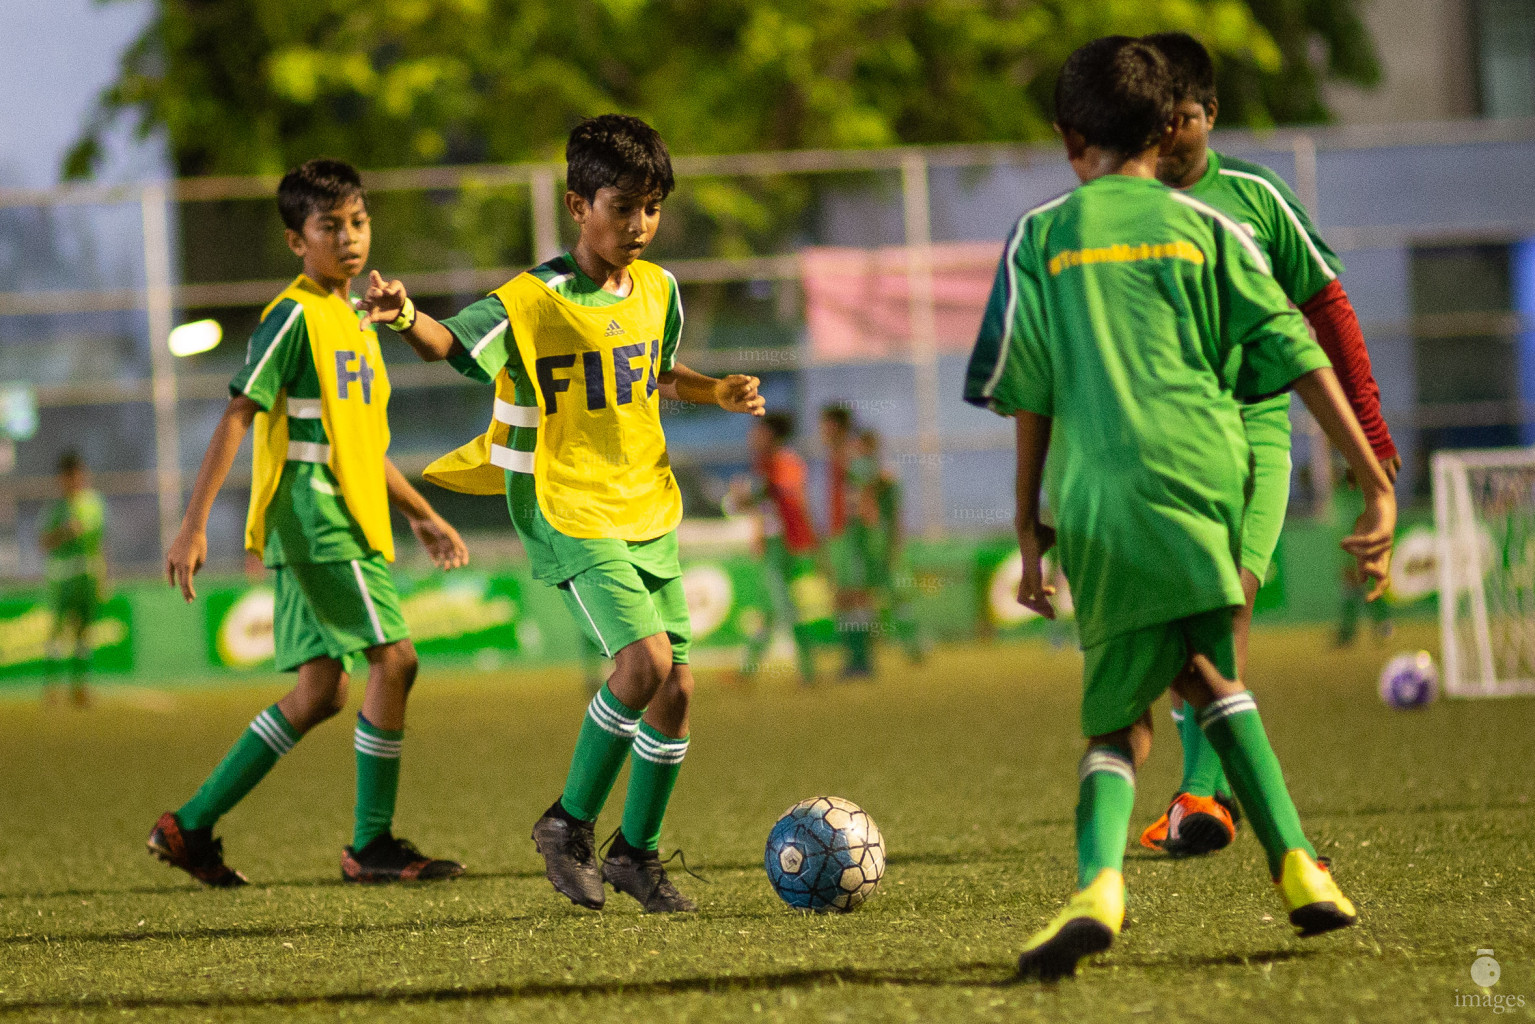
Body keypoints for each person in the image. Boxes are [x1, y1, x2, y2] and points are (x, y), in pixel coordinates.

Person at [962, 36, 1395, 980]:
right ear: (1168, 130)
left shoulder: (1041, 237)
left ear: (1070, 137)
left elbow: (1025, 390)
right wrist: (1373, 478)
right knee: (1207, 668)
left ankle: (1096, 888)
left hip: (1103, 495)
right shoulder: (1210, 231)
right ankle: (1297, 867)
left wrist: (1027, 528)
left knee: (1117, 725)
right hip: (1210, 476)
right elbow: (1296, 345)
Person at [365, 115, 765, 914]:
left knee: (677, 689)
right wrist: (408, 316)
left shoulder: (660, 290)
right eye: (623, 207)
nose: (639, 225)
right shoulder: (534, 297)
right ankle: (567, 824)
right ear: (578, 205)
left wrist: (710, 388)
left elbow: (654, 372)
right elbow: (453, 345)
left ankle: (637, 856)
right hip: (566, 502)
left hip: (645, 501)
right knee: (643, 664)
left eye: (651, 208)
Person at [153, 159, 470, 888]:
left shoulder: (356, 319)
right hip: (316, 516)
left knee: (322, 690)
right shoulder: (293, 315)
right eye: (330, 227)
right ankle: (371, 844)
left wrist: (422, 514)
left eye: (358, 222)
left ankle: (189, 825)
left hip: (340, 515)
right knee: (395, 661)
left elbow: (359, 443)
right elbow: (240, 411)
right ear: (298, 241)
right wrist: (194, 523)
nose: (350, 238)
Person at [1137, 32, 1399, 857]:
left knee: (1229, 607)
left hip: (1251, 429)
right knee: (1185, 630)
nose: (1167, 136)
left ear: (1207, 114)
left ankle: (1201, 800)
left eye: (1179, 118)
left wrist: (1370, 437)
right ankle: (1212, 796)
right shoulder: (1119, 209)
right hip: (1160, 441)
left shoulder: (1253, 196)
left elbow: (1326, 311)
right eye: (1152, 121)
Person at [737, 412, 823, 684]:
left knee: (784, 606)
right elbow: (763, 504)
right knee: (768, 609)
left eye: (758, 432)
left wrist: (748, 497)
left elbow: (788, 499)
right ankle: (748, 669)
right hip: (775, 543)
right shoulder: (767, 464)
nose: (752, 437)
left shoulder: (784, 463)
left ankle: (808, 670)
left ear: (771, 435)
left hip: (784, 544)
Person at [852, 429, 924, 665]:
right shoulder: (868, 471)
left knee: (894, 595)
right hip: (869, 541)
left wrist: (896, 540)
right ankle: (874, 647)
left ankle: (911, 645)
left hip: (880, 541)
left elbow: (893, 510)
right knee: (876, 596)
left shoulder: (878, 472)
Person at [40, 451, 106, 706]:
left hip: (87, 575)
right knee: (57, 634)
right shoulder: (56, 509)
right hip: (61, 577)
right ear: (62, 479)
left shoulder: (94, 504)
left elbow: (101, 543)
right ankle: (51, 688)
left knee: (84, 633)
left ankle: (80, 687)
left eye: (78, 474)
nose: (75, 480)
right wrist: (66, 532)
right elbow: (44, 542)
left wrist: (103, 577)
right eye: (69, 476)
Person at [819, 405, 876, 677]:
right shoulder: (836, 456)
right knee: (843, 596)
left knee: (855, 595)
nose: (821, 431)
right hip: (839, 534)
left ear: (838, 427)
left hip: (851, 535)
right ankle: (853, 659)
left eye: (825, 425)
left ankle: (862, 661)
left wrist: (864, 515)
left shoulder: (850, 454)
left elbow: (867, 484)